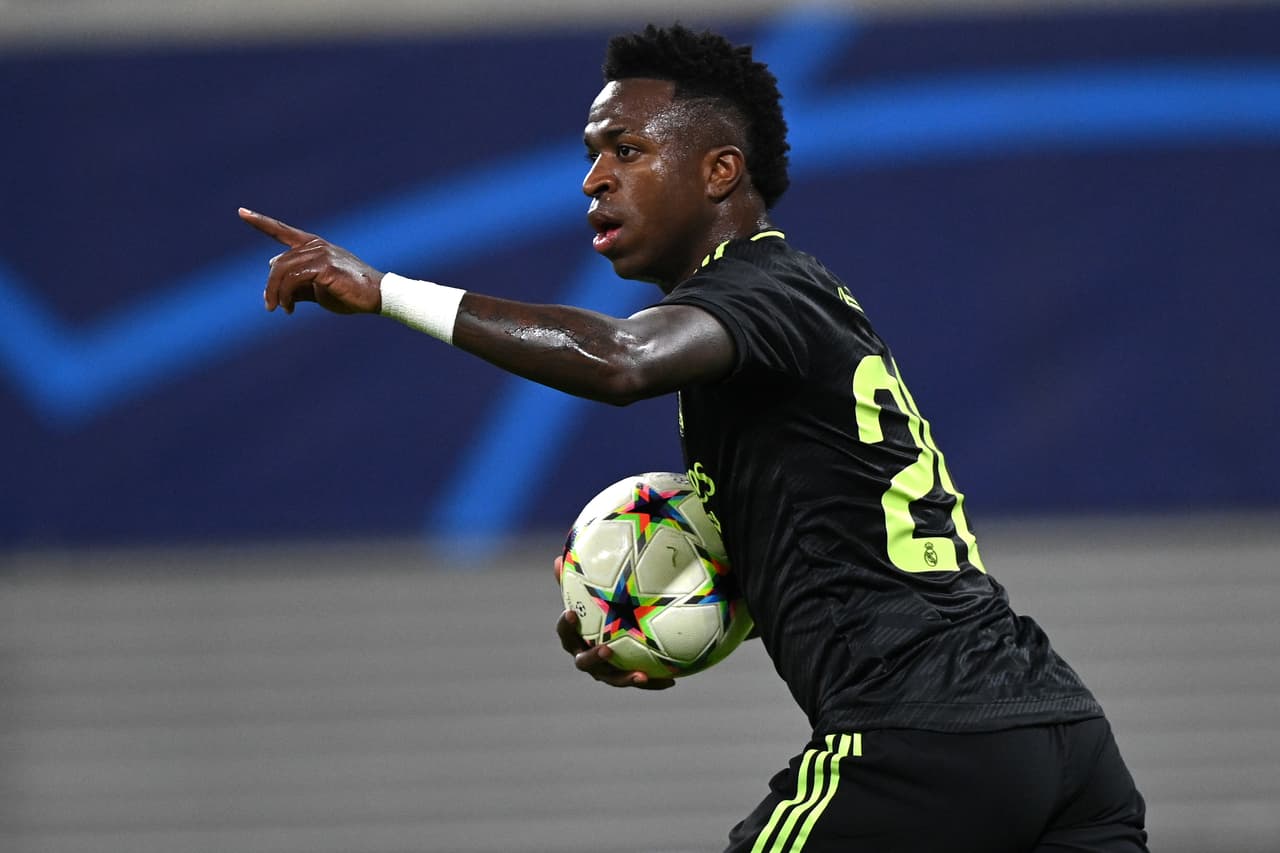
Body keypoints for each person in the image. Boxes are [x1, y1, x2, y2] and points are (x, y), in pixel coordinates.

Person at [241, 23, 1148, 853]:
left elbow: (619, 359)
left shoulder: (760, 288)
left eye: (626, 149)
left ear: (719, 172)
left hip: (923, 736)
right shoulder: (789, 310)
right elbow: (849, 556)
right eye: (593, 154)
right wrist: (664, 619)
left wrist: (386, 291)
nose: (595, 178)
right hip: (1061, 743)